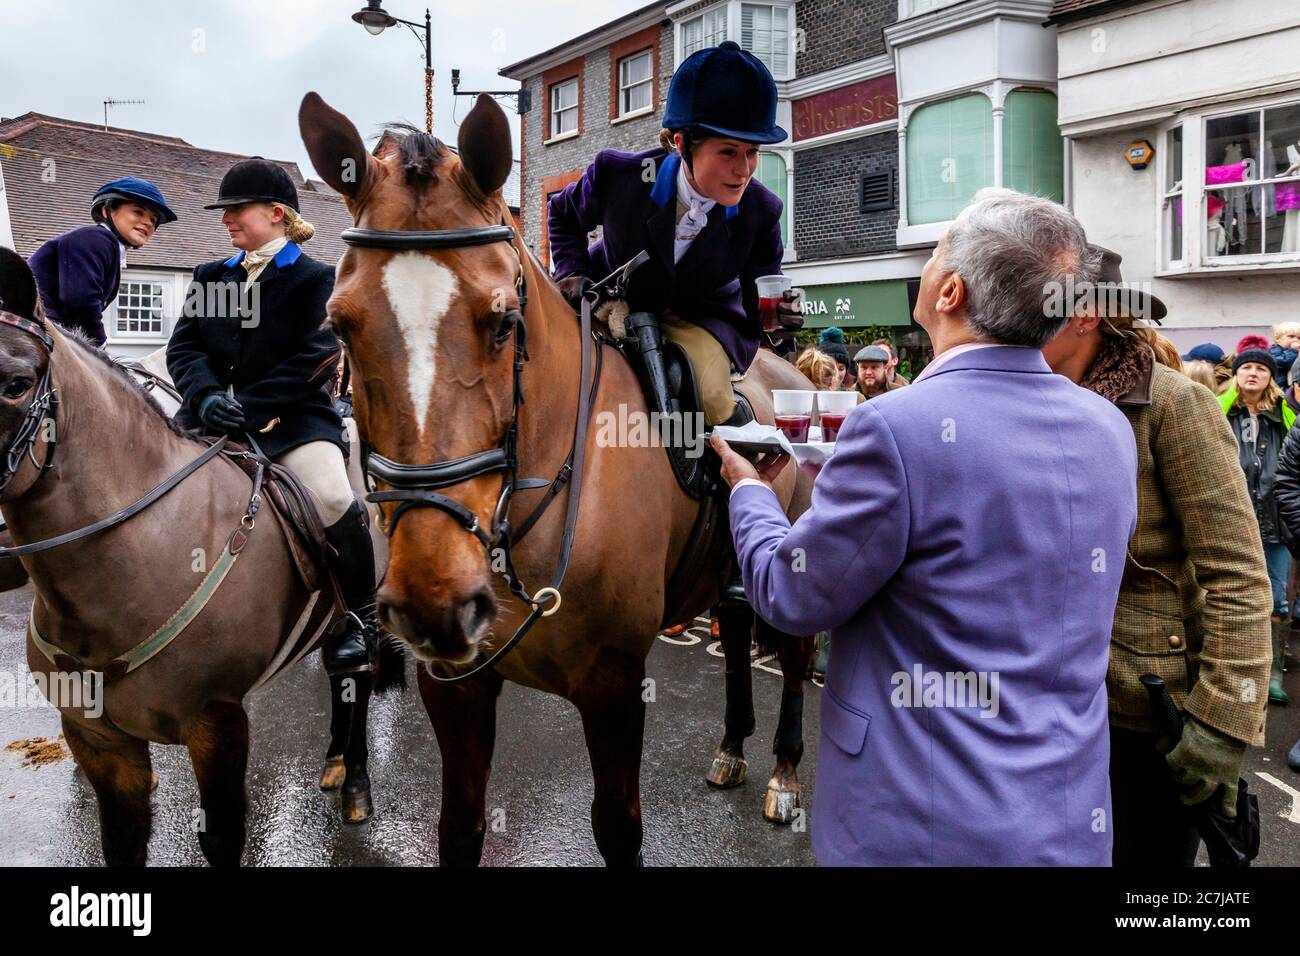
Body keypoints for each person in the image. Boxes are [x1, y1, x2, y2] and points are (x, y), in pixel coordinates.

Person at [711, 187, 1136, 865]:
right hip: (1065, 820)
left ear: (950, 294)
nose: (929, 260)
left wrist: (751, 491)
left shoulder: (895, 426)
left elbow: (790, 596)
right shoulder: (1108, 426)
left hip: (919, 827)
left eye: (938, 248)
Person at [1042, 245, 1272, 866]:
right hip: (1048, 707)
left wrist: (1221, 724)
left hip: (1143, 719)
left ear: (1084, 314)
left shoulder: (1173, 404)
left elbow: (1238, 573)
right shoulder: (1030, 403)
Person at [166, 158, 373, 675]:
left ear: (276, 213)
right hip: (211, 416)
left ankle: (361, 623)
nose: (226, 219)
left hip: (295, 422)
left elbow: (317, 357)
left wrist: (249, 408)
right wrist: (207, 395)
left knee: (331, 496)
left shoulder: (317, 278)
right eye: (225, 211)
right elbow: (185, 347)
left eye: (236, 210)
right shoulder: (211, 276)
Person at [547, 41, 802, 426]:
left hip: (699, 317)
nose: (745, 169)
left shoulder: (763, 211)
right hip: (610, 299)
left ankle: (728, 483)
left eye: (752, 152)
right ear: (682, 143)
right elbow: (561, 214)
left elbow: (760, 302)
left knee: (714, 399)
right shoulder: (618, 175)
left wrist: (782, 327)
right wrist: (571, 272)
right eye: (728, 152)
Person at [1219, 341, 1295, 710]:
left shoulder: (1285, 417)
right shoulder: (1217, 412)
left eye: (1261, 369)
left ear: (1271, 379)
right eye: (1246, 368)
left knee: (1276, 599)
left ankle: (1272, 675)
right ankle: (1231, 672)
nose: (1253, 373)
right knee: (1229, 596)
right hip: (1231, 521)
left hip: (1275, 522)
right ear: (1236, 375)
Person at [27, 177, 177, 346]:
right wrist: (99, 346)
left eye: (153, 219)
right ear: (107, 211)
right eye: (138, 212)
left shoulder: (107, 247)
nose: (147, 223)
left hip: (47, 329)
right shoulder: (96, 239)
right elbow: (82, 302)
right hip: (32, 327)